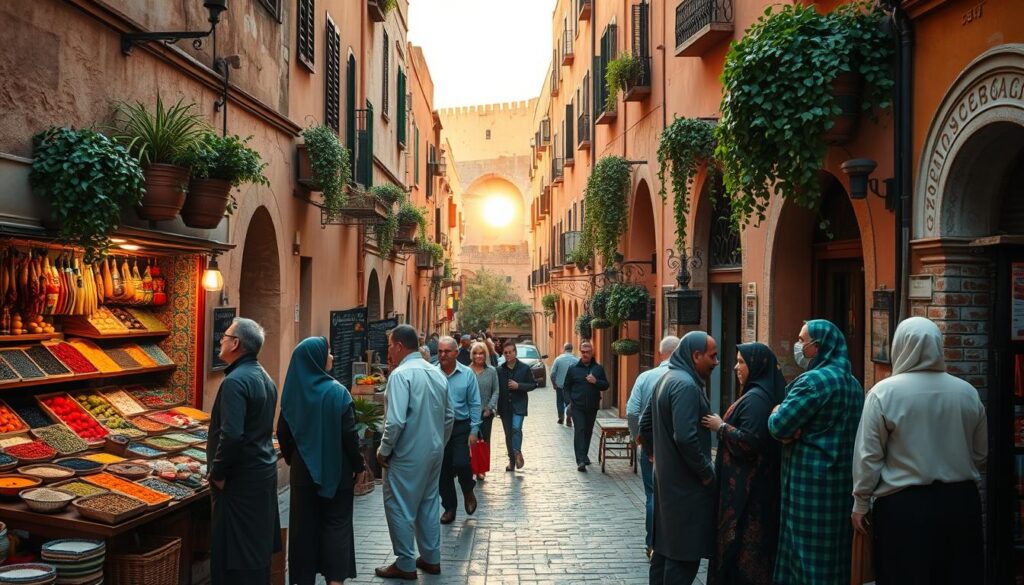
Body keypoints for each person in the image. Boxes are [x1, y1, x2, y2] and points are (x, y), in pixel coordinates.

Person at [851, 317, 987, 584]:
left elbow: (868, 457)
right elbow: (980, 454)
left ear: (899, 346)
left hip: (903, 507)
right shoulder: (967, 393)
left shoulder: (883, 393)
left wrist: (861, 502)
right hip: (961, 503)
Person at [768, 319, 864, 585]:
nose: (798, 346)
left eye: (802, 340)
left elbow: (778, 425)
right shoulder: (854, 384)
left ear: (818, 346)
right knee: (835, 559)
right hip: (841, 485)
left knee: (804, 559)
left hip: (808, 486)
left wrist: (776, 410)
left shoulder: (812, 382)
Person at [278, 337, 365, 585]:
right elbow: (349, 435)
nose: (332, 357)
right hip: (337, 471)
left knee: (303, 530)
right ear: (315, 358)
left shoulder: (293, 395)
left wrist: (294, 458)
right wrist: (358, 466)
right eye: (328, 352)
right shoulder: (337, 392)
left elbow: (283, 432)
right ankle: (335, 582)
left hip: (303, 473)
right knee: (337, 526)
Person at [375, 325, 454, 580]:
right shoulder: (437, 373)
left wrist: (384, 450)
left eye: (390, 345)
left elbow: (395, 421)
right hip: (434, 450)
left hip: (406, 453)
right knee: (428, 503)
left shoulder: (401, 375)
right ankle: (431, 557)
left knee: (399, 505)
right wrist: (439, 443)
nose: (388, 351)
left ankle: (405, 562)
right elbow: (449, 416)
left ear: (399, 346)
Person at [701, 342, 784, 585]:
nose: (736, 367)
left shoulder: (757, 400)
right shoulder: (756, 394)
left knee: (744, 554)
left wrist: (721, 427)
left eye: (741, 362)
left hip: (748, 496)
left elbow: (751, 442)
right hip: (747, 490)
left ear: (756, 366)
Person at [638, 331, 718, 585]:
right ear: (696, 355)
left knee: (664, 553)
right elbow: (685, 437)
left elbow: (644, 426)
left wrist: (656, 455)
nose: (716, 362)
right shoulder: (685, 385)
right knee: (682, 557)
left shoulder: (667, 378)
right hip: (686, 489)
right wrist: (706, 473)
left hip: (667, 484)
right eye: (712, 356)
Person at [208, 317, 280, 585]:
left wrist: (218, 473)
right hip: (261, 474)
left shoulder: (235, 382)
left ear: (236, 343)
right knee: (255, 553)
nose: (221, 340)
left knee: (235, 557)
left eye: (225, 337)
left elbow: (232, 435)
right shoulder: (265, 377)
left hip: (240, 482)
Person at [625, 335, 679, 557]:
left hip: (651, 447)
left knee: (652, 495)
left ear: (659, 354)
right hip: (675, 447)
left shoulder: (645, 377)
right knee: (675, 495)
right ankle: (672, 543)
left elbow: (632, 411)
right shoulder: (685, 378)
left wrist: (638, 440)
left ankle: (652, 544)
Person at [436, 336, 482, 524]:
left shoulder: (467, 374)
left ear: (456, 353)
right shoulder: (432, 373)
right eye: (440, 351)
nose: (443, 355)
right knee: (443, 470)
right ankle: (450, 507)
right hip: (438, 427)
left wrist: (474, 430)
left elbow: (475, 403)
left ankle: (468, 490)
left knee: (462, 463)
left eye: (447, 351)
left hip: (460, 426)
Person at [562, 341, 610, 472]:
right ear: (580, 352)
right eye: (583, 352)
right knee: (580, 430)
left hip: (592, 406)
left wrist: (596, 381)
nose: (585, 354)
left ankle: (584, 455)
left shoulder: (598, 369)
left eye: (587, 352)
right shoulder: (573, 368)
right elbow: (566, 386)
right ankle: (580, 461)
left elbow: (606, 385)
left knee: (588, 431)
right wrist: (568, 402)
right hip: (577, 406)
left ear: (592, 352)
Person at [496, 341, 537, 472]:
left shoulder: (524, 368)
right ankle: (512, 461)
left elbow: (533, 385)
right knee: (508, 434)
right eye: (505, 353)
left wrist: (518, 386)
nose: (508, 354)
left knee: (516, 428)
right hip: (504, 407)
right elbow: (496, 390)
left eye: (510, 352)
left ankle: (517, 452)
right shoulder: (499, 370)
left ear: (515, 352)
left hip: (519, 405)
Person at [470, 341, 499, 481]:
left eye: (481, 353)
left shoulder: (491, 371)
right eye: (475, 353)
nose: (478, 356)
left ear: (485, 355)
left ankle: (481, 470)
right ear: (472, 355)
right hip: (470, 413)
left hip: (486, 413)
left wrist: (490, 408)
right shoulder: (467, 371)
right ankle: (470, 468)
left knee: (484, 442)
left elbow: (496, 391)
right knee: (471, 441)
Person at [549, 343, 577, 425]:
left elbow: (552, 374)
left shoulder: (558, 359)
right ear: (572, 349)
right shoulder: (577, 360)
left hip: (560, 385)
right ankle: (569, 417)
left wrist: (554, 384)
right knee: (570, 402)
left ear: (564, 349)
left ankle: (561, 417)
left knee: (560, 401)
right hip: (572, 386)